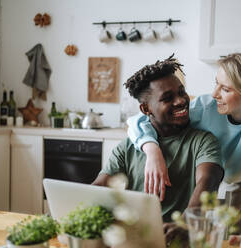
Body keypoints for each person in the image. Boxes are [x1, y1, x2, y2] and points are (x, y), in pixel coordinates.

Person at [126, 50, 241, 247]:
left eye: (225, 89)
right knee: (203, 226)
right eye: (216, 83)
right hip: (211, 166)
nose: (214, 94)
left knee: (230, 230)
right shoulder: (207, 107)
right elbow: (140, 121)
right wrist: (152, 150)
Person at [92, 55, 224, 244]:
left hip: (177, 240)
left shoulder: (203, 141)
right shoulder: (127, 147)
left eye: (181, 92)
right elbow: (100, 188)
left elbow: (208, 181)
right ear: (146, 109)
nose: (181, 101)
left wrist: (186, 222)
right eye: (167, 98)